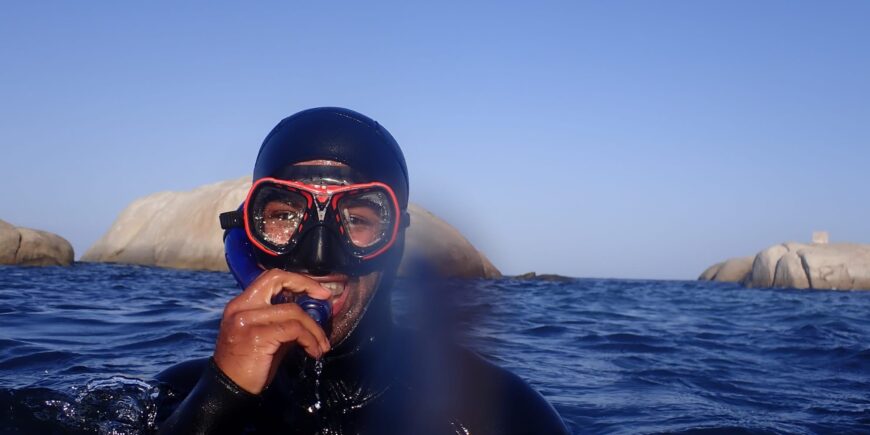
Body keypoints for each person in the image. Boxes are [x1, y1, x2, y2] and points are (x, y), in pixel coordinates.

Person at [156, 107, 570, 434]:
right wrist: (219, 399)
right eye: (285, 216)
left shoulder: (497, 414)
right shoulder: (183, 396)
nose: (318, 257)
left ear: (395, 241)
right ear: (248, 236)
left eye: (356, 220)